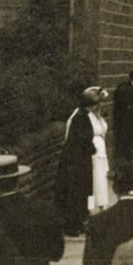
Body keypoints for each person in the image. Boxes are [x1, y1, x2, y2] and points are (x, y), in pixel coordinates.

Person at [55, 86, 111, 236]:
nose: (96, 107)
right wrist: (92, 149)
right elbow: (81, 139)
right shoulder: (80, 118)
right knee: (76, 193)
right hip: (76, 162)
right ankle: (73, 224)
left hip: (83, 160)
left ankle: (81, 220)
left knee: (84, 192)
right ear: (89, 105)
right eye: (94, 104)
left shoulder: (83, 116)